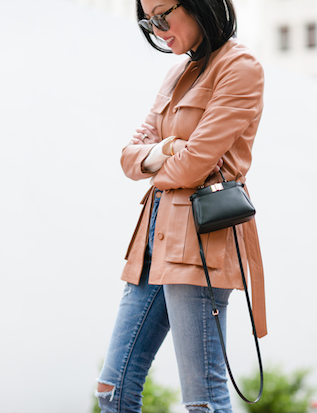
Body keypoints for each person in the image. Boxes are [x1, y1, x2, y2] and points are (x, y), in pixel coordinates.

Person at [95, 0, 267, 411]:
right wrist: (171, 148)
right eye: (147, 19)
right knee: (112, 389)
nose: (156, 28)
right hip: (153, 241)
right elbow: (128, 157)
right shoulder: (179, 73)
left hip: (198, 243)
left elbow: (192, 167)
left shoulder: (239, 67)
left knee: (203, 400)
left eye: (162, 15)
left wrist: (158, 157)